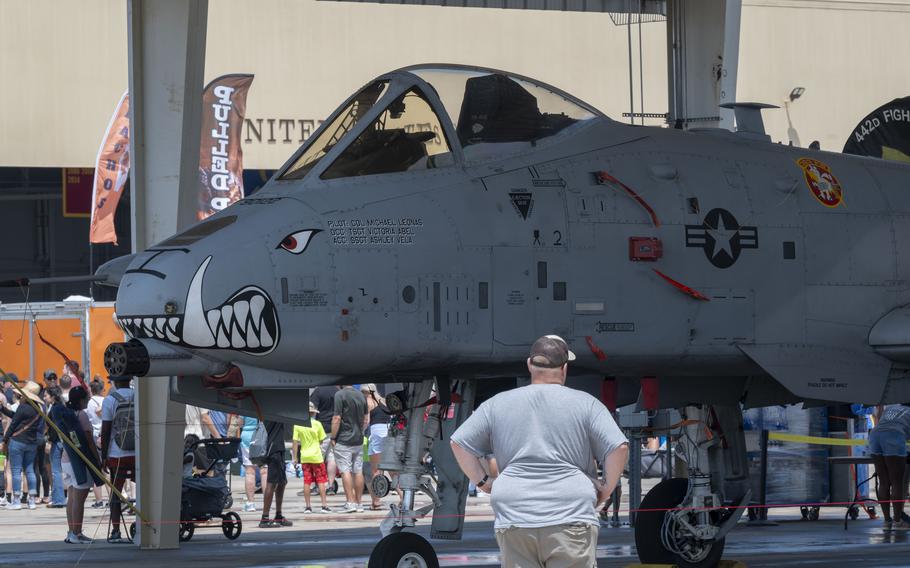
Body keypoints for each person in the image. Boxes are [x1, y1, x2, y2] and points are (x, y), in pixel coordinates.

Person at [451, 335, 629, 568]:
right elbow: (619, 447)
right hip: (570, 513)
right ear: (564, 368)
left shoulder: (497, 404)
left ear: (529, 365)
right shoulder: (587, 403)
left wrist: (484, 482)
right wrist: (605, 490)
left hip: (515, 516)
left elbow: (459, 443)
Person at [50, 386, 103, 544]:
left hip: (66, 460)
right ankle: (77, 533)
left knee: (72, 497)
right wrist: (97, 459)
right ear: (81, 400)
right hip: (80, 462)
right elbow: (88, 441)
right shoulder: (82, 415)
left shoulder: (66, 414)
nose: (88, 400)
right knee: (80, 498)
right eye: (86, 398)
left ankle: (71, 531)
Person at [100, 375, 136, 543]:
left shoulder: (109, 400)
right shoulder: (138, 395)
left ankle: (116, 529)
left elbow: (106, 430)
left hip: (117, 453)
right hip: (138, 452)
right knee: (144, 490)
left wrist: (104, 456)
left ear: (114, 381)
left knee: (116, 493)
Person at [0, 380, 45, 510]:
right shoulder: (38, 408)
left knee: (16, 471)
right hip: (31, 443)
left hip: (18, 442)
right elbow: (16, 417)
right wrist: (3, 409)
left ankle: (16, 500)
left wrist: (5, 440)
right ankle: (31, 500)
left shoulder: (23, 407)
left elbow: (13, 424)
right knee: (30, 470)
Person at [870, 403, 910, 530]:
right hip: (894, 435)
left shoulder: (892, 408)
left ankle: (887, 521)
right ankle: (898, 521)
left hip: (875, 435)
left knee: (884, 482)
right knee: (897, 482)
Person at [331, 385, 369, 513]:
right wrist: (360, 432)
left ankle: (350, 502)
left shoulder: (340, 395)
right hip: (358, 439)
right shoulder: (361, 396)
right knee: (358, 470)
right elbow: (366, 419)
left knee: (345, 470)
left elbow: (337, 418)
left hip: (343, 439)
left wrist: (333, 437)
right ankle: (359, 503)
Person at [292, 402, 331, 514]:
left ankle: (308, 507)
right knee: (321, 480)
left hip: (304, 456)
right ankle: (324, 506)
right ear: (313, 413)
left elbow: (295, 443)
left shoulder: (297, 425)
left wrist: (295, 458)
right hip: (317, 456)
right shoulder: (317, 424)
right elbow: (322, 440)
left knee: (307, 481)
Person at [361, 383, 392, 510]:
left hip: (376, 433)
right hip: (388, 432)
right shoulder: (383, 400)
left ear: (366, 393)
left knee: (375, 470)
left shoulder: (368, 403)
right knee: (392, 469)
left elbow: (366, 421)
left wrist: (362, 432)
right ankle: (402, 497)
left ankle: (376, 501)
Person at [260, 420, 293, 528]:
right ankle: (264, 518)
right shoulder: (271, 409)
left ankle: (278, 515)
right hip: (273, 448)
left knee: (282, 482)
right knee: (272, 482)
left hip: (278, 446)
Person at [310, 385, 339, 494]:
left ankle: (319, 485)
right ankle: (331, 486)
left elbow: (312, 409)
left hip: (321, 429)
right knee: (332, 458)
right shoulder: (337, 391)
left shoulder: (318, 391)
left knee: (319, 458)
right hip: (335, 428)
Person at [86, 378, 106, 508]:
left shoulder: (90, 403)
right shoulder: (106, 401)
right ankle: (111, 498)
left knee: (96, 468)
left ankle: (99, 500)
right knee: (107, 468)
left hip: (94, 435)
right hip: (105, 433)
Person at [239, 415, 264, 512]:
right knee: (264, 470)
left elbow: (240, 423)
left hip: (247, 435)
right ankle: (267, 503)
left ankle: (251, 504)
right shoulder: (264, 402)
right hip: (261, 434)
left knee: (250, 471)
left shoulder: (245, 401)